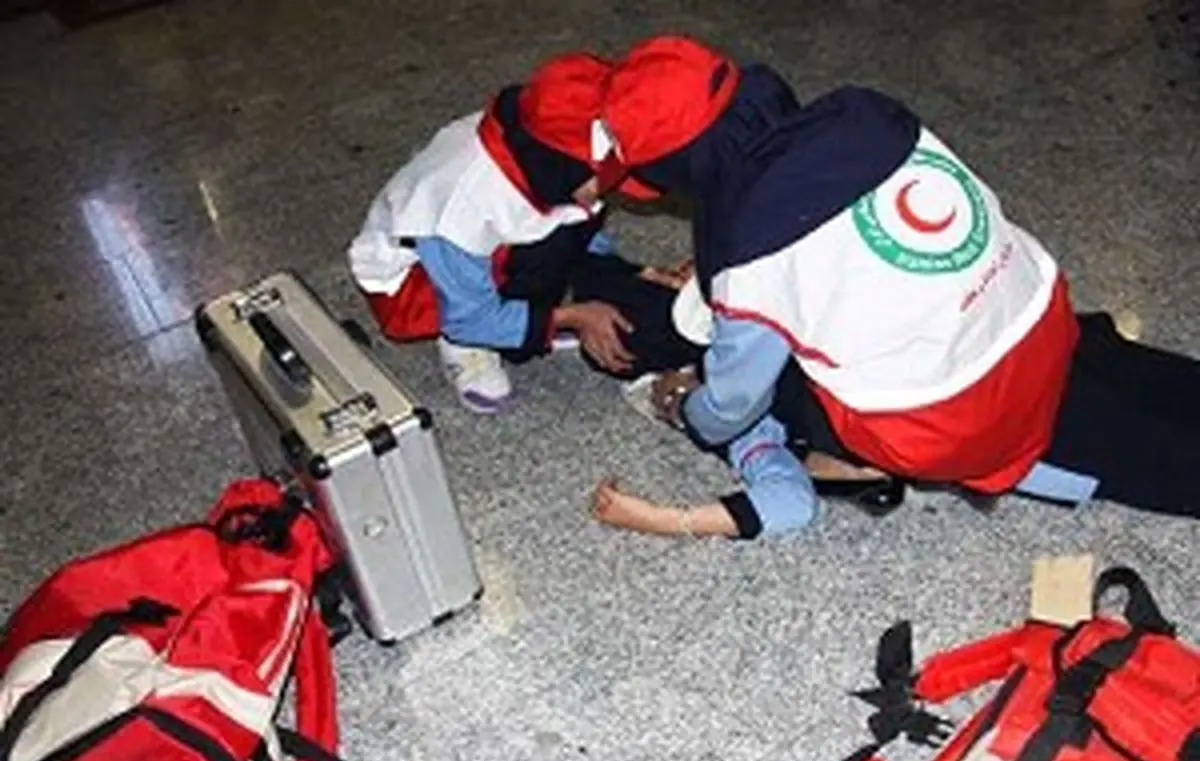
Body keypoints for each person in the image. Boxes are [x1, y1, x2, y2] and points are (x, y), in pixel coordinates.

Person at [586, 35, 1200, 539]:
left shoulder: (746, 252)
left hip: (963, 413)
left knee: (1136, 457)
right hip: (1037, 313)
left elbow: (734, 405)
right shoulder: (867, 116)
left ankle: (852, 464)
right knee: (1135, 383)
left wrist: (692, 411)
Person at [347, 51, 699, 413]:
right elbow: (472, 311)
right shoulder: (461, 211)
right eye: (612, 177)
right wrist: (569, 316)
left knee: (624, 294)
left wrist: (626, 272)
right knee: (495, 301)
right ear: (564, 167)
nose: (617, 188)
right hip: (418, 281)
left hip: (499, 244)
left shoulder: (545, 148)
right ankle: (462, 345)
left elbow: (572, 224)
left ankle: (540, 308)